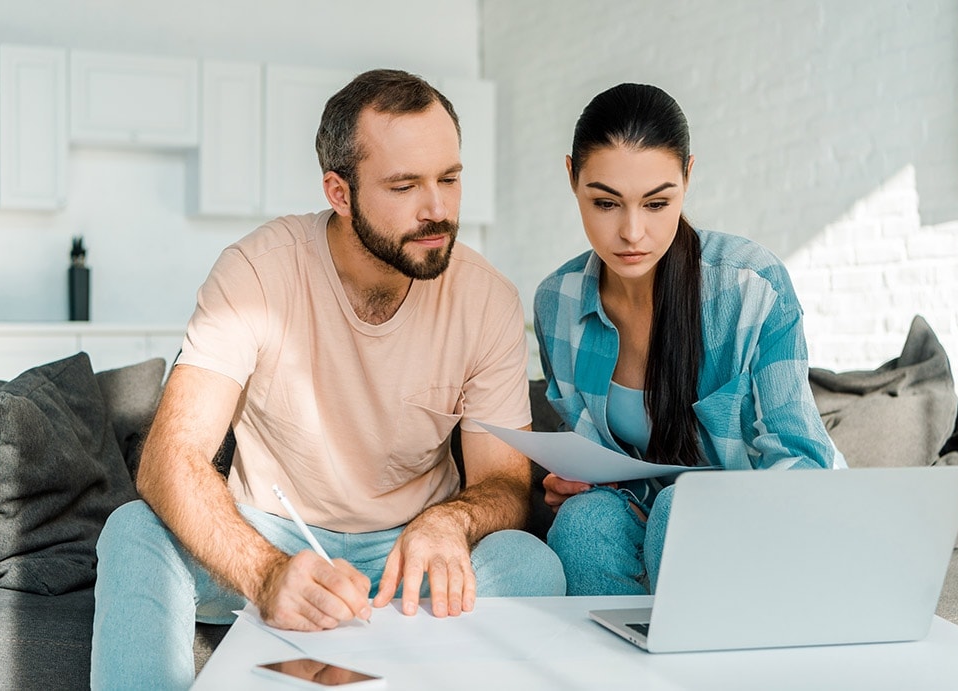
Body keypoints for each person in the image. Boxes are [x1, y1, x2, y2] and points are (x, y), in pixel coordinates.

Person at [92, 69, 565, 689]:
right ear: (339, 193)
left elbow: (504, 481)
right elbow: (169, 460)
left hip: (411, 552)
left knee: (528, 564)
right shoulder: (255, 274)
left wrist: (450, 522)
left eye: (449, 178)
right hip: (273, 534)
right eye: (404, 186)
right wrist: (266, 574)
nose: (438, 210)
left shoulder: (488, 299)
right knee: (133, 531)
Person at [533, 83, 843, 596]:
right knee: (585, 522)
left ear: (688, 177)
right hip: (648, 518)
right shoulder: (558, 303)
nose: (633, 232)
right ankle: (618, 671)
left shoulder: (749, 287)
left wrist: (700, 501)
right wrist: (580, 481)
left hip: (769, 526)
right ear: (571, 177)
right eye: (606, 203)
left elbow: (801, 463)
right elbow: (606, 466)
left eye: (657, 203)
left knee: (686, 505)